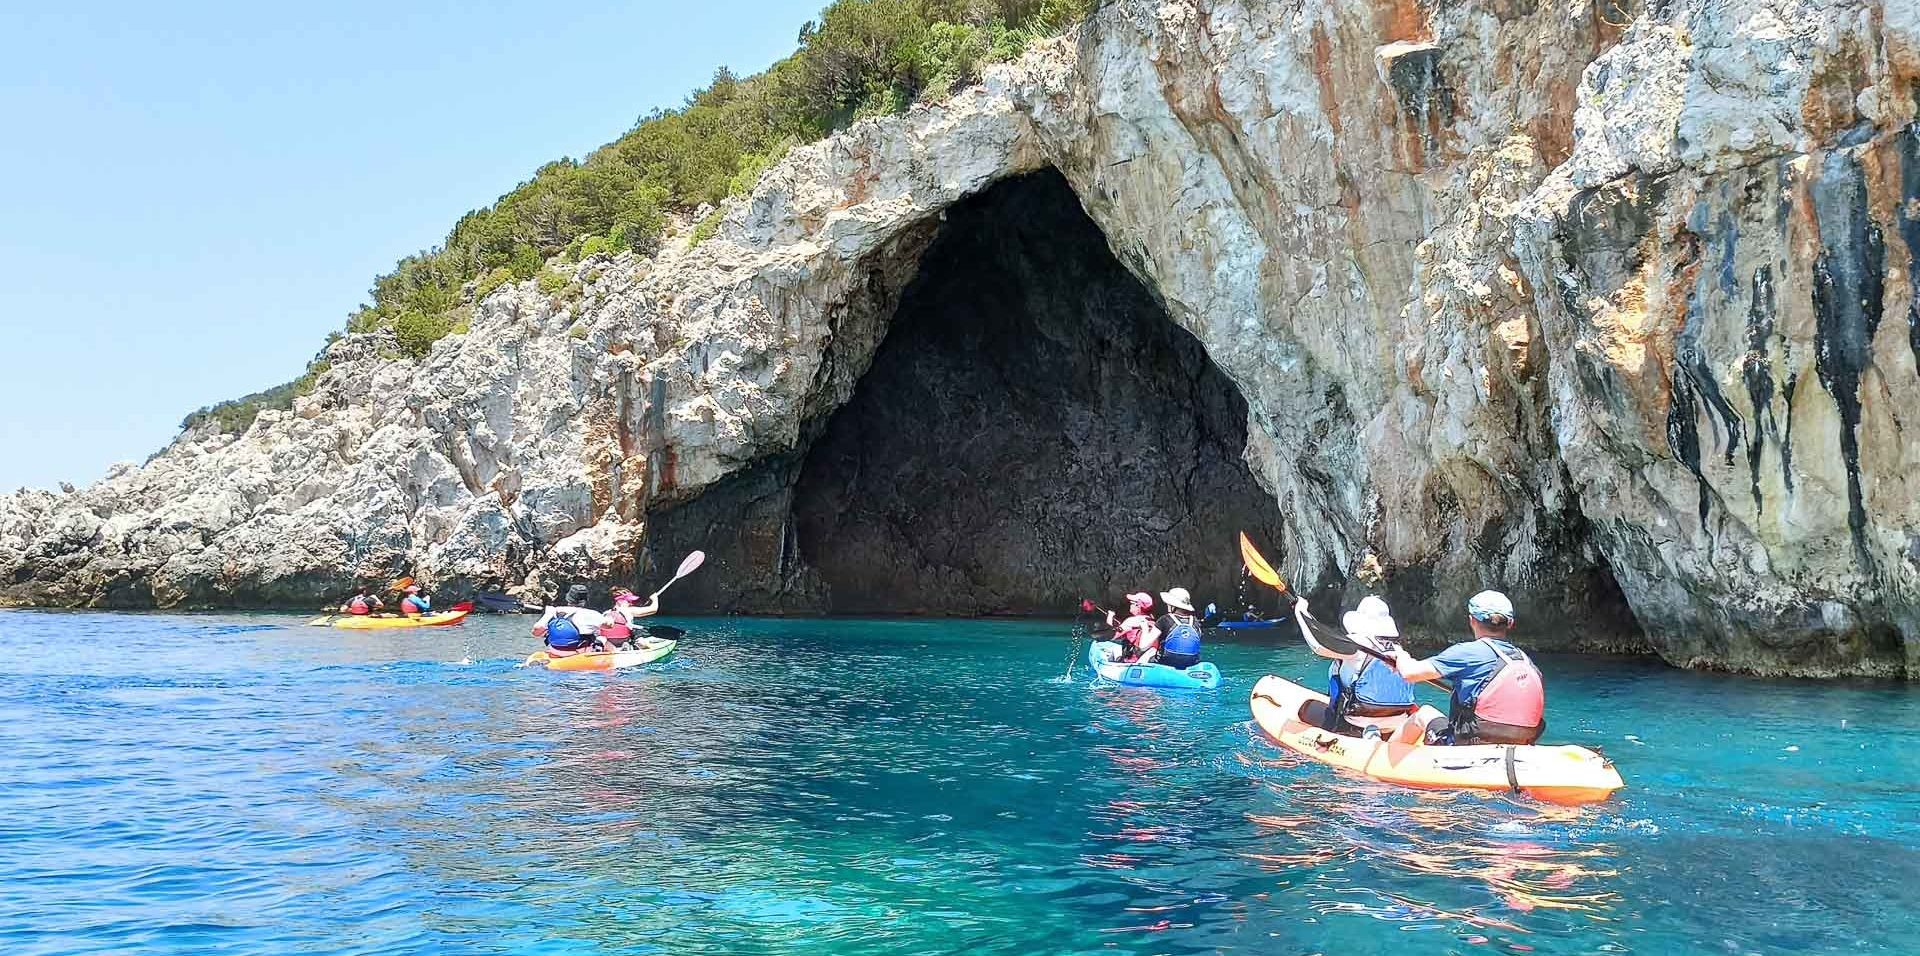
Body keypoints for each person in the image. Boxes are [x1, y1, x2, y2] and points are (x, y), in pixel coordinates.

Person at [1389, 590, 1546, 745]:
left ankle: (1386, 754)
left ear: (1472, 620)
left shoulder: (1466, 652)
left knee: (1423, 713)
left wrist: (1400, 654)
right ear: (1510, 623)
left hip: (1471, 743)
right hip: (1521, 741)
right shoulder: (1526, 661)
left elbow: (1409, 673)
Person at [1296, 596, 1417, 737]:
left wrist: (1300, 611)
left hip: (1355, 721)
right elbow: (1323, 636)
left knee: (1306, 708)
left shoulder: (1358, 643)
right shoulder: (1399, 649)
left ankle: (1362, 731)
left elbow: (1319, 646)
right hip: (1397, 721)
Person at [533, 584, 606, 657]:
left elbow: (536, 632)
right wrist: (609, 617)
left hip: (555, 652)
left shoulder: (553, 611)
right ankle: (615, 658)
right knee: (602, 638)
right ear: (584, 601)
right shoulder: (591, 613)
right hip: (579, 654)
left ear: (568, 598)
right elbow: (608, 626)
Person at [1149, 587, 1203, 668]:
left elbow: (1143, 646)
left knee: (1150, 651)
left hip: (1166, 662)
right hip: (1191, 664)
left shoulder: (1164, 619)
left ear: (1173, 606)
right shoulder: (1196, 622)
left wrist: (1144, 627)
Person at [597, 587, 662, 649]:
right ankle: (633, 646)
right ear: (619, 601)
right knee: (637, 636)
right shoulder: (629, 610)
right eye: (629, 601)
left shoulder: (605, 613)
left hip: (607, 642)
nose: (631, 604)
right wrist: (655, 598)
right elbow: (653, 609)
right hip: (624, 640)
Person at [1104, 593, 1157, 662]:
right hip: (1145, 660)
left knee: (1115, 648)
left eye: (1132, 603)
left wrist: (1110, 617)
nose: (1130, 605)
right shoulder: (1153, 622)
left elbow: (1111, 636)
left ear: (1138, 606)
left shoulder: (1131, 621)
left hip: (1131, 661)